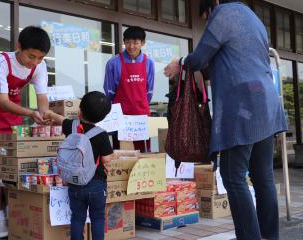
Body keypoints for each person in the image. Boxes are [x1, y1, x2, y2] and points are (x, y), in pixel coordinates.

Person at [164, 1, 287, 239]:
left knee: (232, 176)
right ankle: (270, 236)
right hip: (267, 103)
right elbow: (233, 59)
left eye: (205, 17)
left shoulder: (223, 13)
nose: (208, 22)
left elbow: (200, 58)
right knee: (263, 177)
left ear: (212, 6)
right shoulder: (252, 18)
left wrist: (180, 63)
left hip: (243, 107)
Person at [0, 26, 51, 238]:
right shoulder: (1, 62)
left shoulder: (39, 67)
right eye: (31, 56)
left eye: (40, 58)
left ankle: (12, 212)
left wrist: (45, 118)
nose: (34, 62)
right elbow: (2, 101)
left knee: (13, 163)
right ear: (18, 47)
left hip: (13, 111)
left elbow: (42, 101)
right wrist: (31, 114)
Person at [44, 91, 115, 240]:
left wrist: (49, 113)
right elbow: (107, 159)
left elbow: (60, 119)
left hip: (74, 182)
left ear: (80, 110)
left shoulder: (71, 126)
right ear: (103, 117)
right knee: (98, 218)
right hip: (96, 184)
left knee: (77, 218)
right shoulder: (101, 134)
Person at [104, 26, 155, 152]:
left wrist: (140, 105)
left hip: (141, 117)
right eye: (127, 42)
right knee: (122, 153)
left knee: (143, 153)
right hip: (121, 117)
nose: (131, 46)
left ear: (142, 43)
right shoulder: (113, 62)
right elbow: (109, 91)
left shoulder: (149, 63)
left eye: (135, 42)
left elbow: (149, 91)